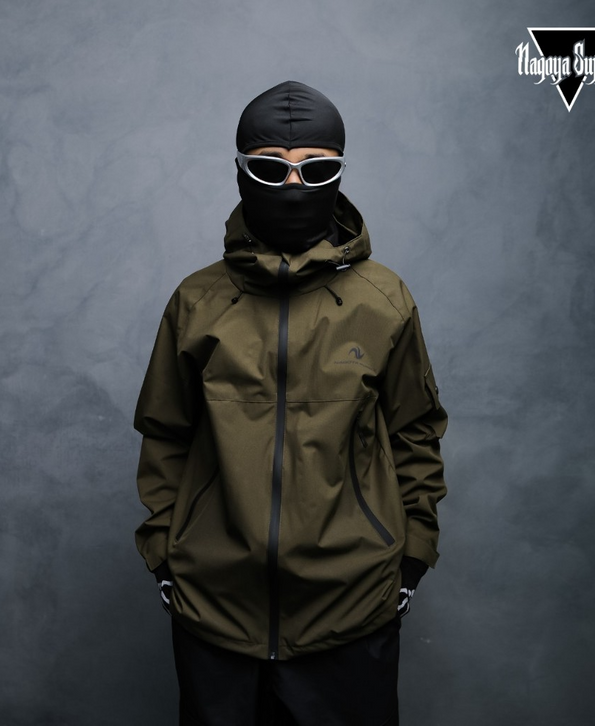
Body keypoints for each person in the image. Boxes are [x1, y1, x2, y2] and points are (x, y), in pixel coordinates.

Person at [134, 80, 448, 726]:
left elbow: (415, 432)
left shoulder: (384, 301)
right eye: (272, 169)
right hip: (215, 610)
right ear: (241, 172)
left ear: (340, 173)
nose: (295, 186)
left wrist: (413, 554)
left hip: (351, 611)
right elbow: (165, 433)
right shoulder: (197, 303)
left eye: (317, 169)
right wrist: (165, 551)